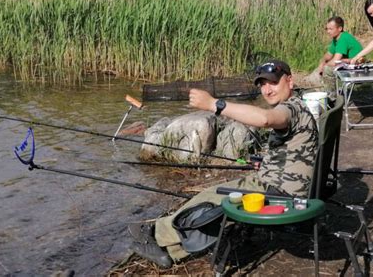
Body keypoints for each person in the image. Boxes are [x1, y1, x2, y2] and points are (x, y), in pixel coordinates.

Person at [129, 60, 319, 268]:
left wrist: (215, 104)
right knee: (213, 195)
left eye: (273, 82)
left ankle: (154, 234)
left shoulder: (290, 109)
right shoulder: (301, 106)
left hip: (278, 193)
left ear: (290, 81)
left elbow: (265, 119)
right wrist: (266, 163)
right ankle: (172, 250)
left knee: (209, 199)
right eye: (262, 84)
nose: (267, 89)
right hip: (282, 185)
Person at [317, 16, 363, 94]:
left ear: (340, 28)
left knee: (327, 69)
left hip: (357, 66)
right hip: (348, 64)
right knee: (323, 67)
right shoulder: (336, 39)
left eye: (331, 29)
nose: (328, 31)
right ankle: (325, 91)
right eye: (327, 29)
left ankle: (331, 97)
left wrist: (324, 66)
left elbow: (335, 61)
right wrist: (321, 63)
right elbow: (328, 55)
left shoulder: (343, 38)